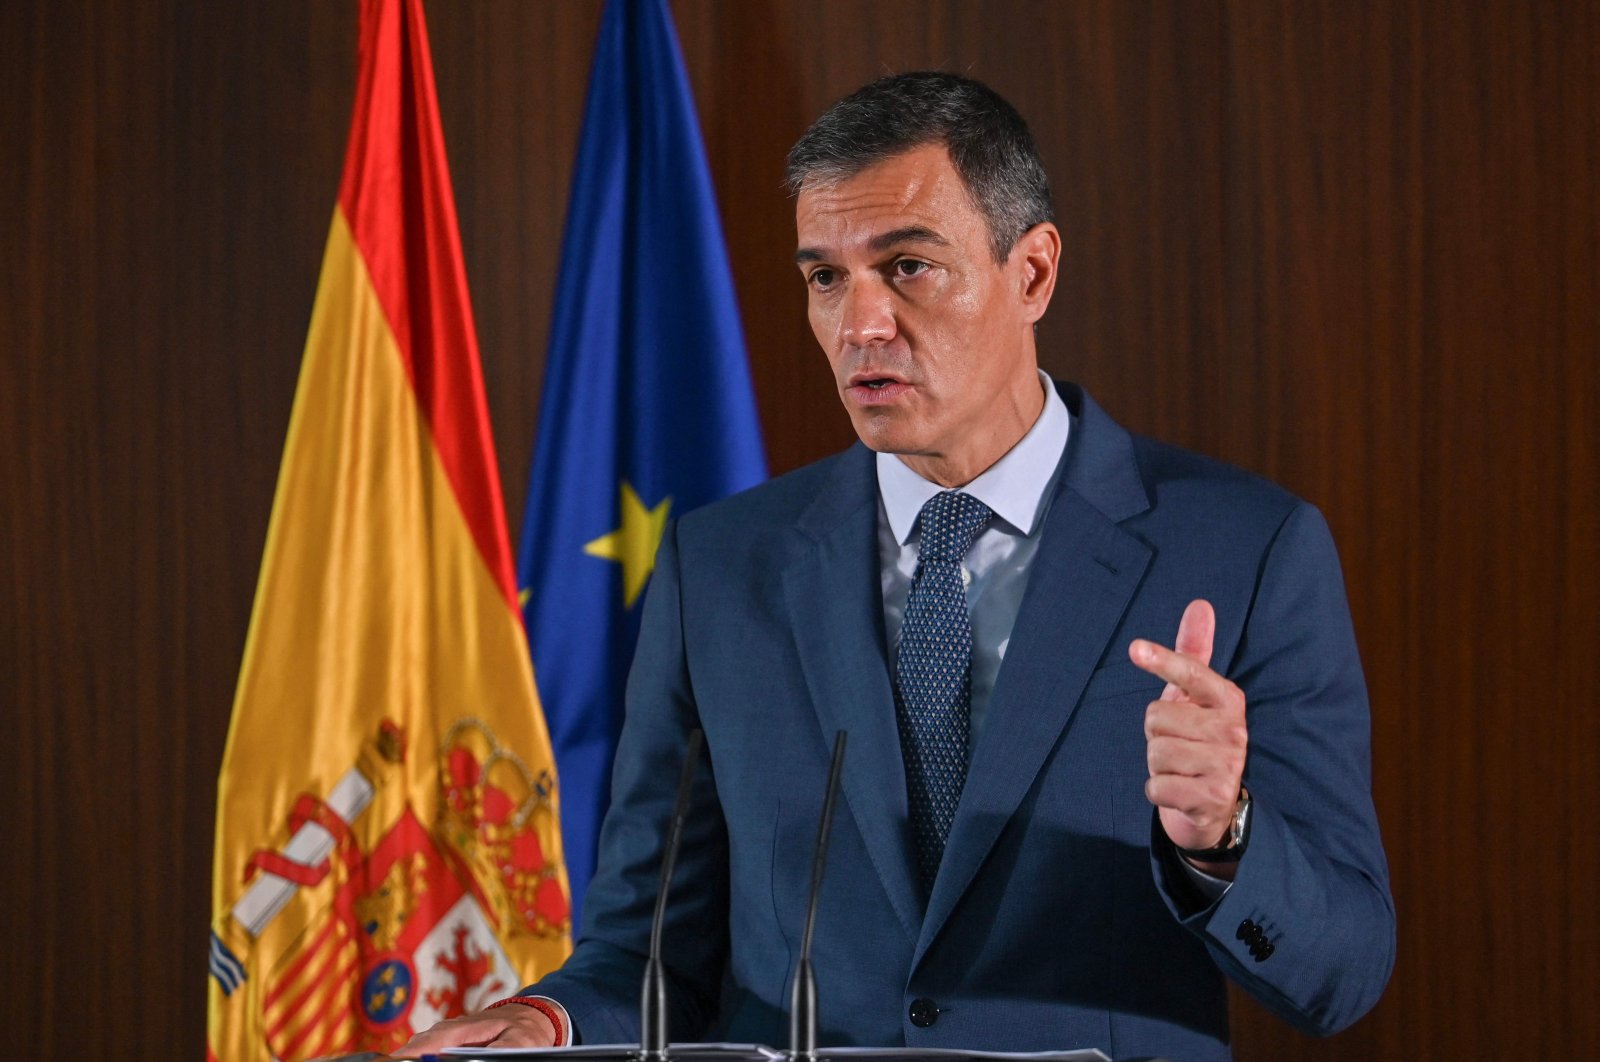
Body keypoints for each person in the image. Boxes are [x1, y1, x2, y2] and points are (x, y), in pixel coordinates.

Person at [400, 71, 1394, 1061]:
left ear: (1032, 272)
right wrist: (544, 1022)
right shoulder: (720, 566)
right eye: (825, 277)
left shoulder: (1245, 550)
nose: (858, 324)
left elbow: (1340, 972)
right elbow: (647, 953)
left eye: (908, 266)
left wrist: (1222, 836)